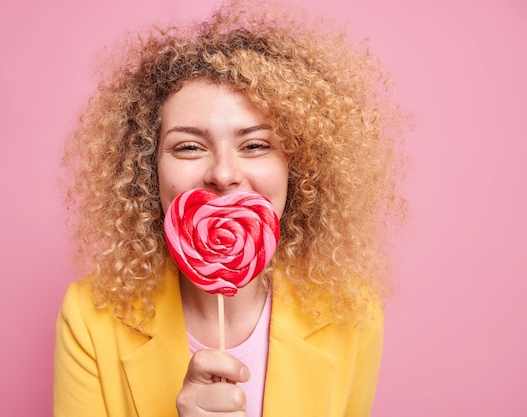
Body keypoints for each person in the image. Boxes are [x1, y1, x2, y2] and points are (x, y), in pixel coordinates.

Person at [54, 0, 405, 416]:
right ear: (149, 169)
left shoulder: (353, 314)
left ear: (301, 165)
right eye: (188, 146)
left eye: (255, 145)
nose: (223, 174)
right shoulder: (90, 317)